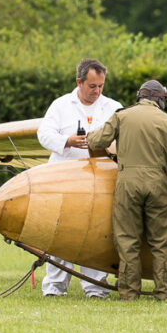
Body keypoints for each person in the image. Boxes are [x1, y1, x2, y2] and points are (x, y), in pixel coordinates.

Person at [87, 80, 167, 301]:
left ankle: (129, 293)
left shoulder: (122, 116)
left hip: (127, 183)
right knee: (160, 241)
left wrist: (90, 135)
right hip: (157, 183)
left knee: (127, 239)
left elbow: (98, 140)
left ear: (140, 96)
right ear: (159, 99)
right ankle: (164, 293)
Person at [36, 58, 122, 298]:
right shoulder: (60, 105)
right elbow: (43, 134)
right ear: (79, 82)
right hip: (64, 183)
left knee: (97, 234)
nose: (97, 91)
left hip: (101, 184)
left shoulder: (114, 107)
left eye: (101, 86)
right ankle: (54, 288)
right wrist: (67, 141)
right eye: (92, 86)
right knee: (59, 234)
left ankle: (96, 289)